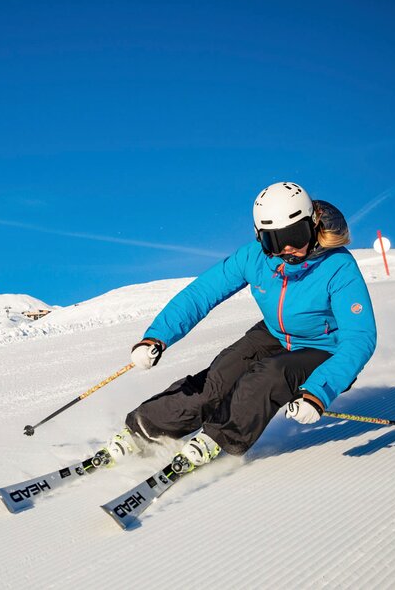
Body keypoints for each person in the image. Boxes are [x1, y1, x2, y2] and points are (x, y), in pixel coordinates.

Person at [100, 181, 377, 472]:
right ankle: (144, 430)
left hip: (323, 349)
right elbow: (201, 293)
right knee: (219, 376)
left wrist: (320, 391)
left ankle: (218, 438)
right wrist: (156, 337)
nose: (287, 248)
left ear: (313, 224)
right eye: (274, 240)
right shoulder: (254, 257)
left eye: (296, 235)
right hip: (273, 334)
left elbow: (360, 338)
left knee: (268, 376)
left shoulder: (339, 267)